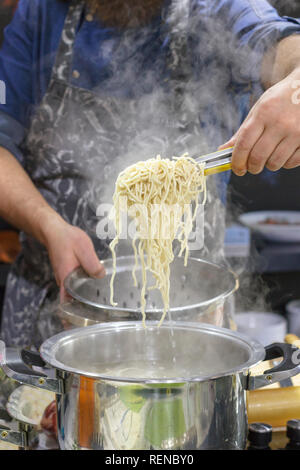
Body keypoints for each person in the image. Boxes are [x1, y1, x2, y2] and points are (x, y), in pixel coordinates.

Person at [1, 0, 300, 348]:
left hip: (194, 315)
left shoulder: (216, 7)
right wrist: (49, 227)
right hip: (57, 309)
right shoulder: (41, 13)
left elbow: (277, 41)